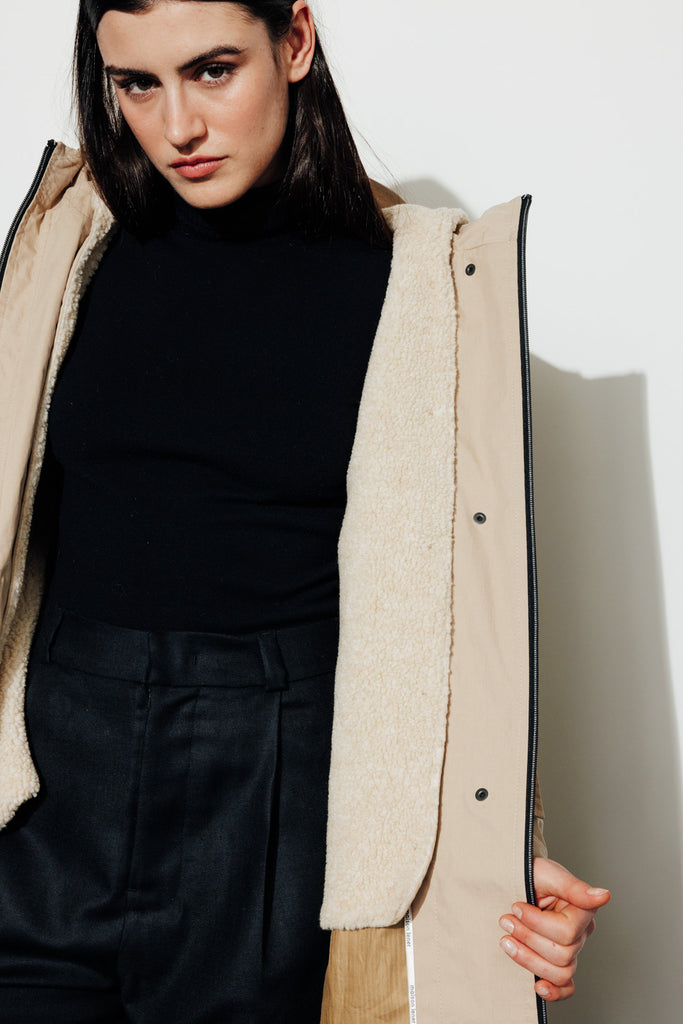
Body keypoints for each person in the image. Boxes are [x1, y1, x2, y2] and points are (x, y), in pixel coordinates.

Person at [0, 1, 610, 1022]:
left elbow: (461, 596)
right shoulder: (71, 243)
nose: (177, 126)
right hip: (51, 785)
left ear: (294, 41)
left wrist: (503, 855)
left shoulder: (418, 282)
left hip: (271, 796)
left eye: (212, 69)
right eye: (136, 84)